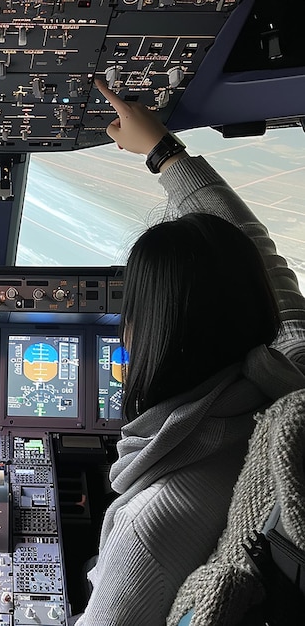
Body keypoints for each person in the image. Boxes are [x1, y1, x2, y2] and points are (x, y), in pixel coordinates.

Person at [72, 82, 305, 625]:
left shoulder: (154, 522)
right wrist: (164, 153)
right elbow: (254, 253)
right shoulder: (289, 369)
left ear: (151, 334)